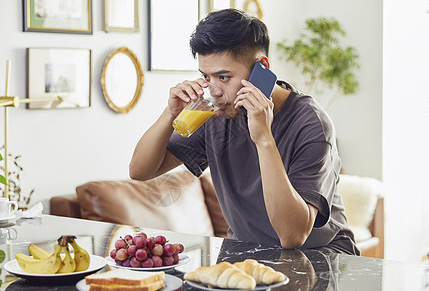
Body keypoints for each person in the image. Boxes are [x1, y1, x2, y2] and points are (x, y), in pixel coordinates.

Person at [130, 9, 359, 255]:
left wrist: (264, 139)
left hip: (319, 257)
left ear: (262, 68)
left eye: (224, 77)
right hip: (246, 254)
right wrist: (169, 113)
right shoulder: (216, 114)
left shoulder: (311, 123)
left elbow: (292, 236)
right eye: (206, 76)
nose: (214, 90)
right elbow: (141, 171)